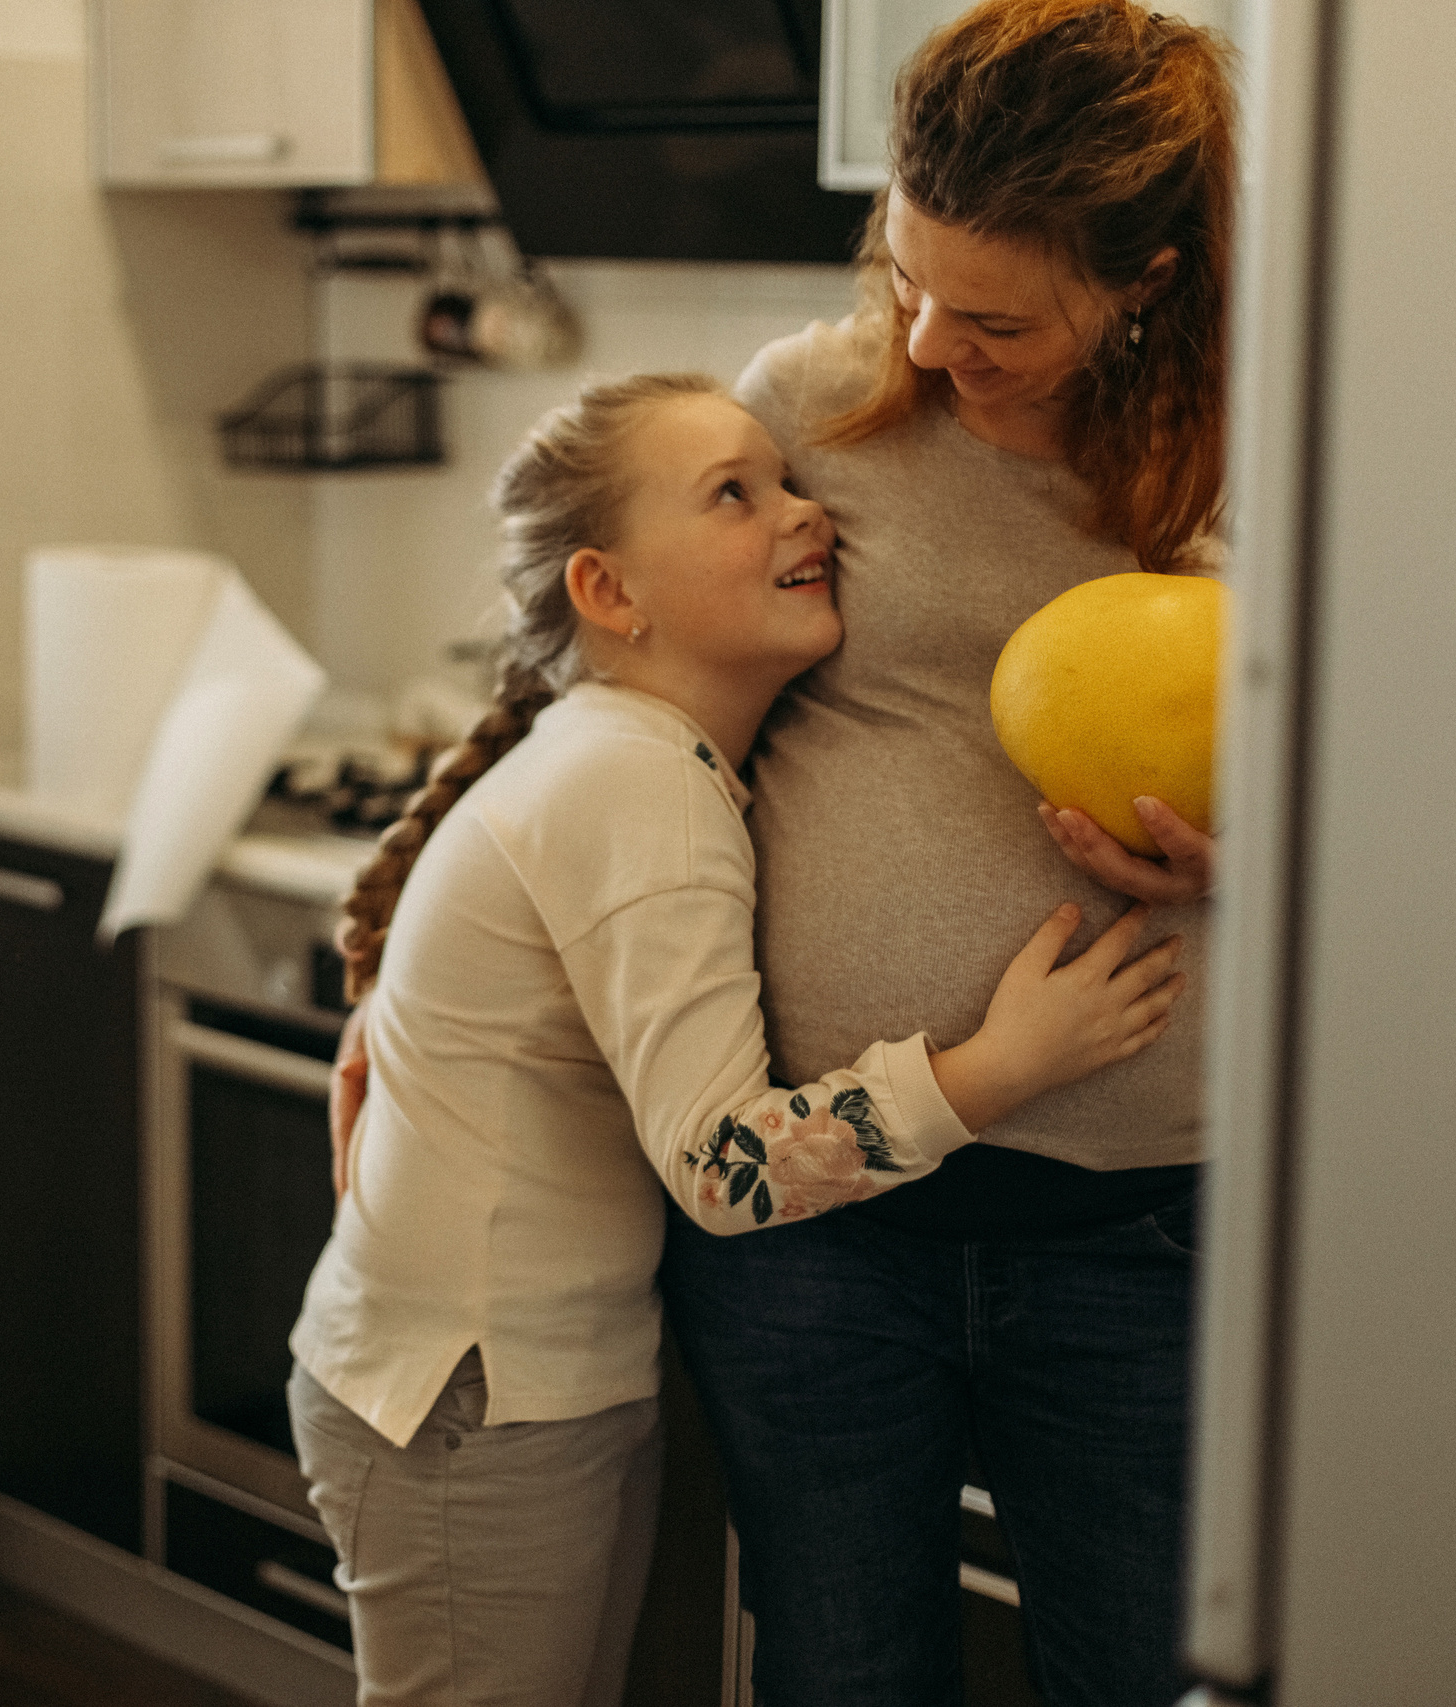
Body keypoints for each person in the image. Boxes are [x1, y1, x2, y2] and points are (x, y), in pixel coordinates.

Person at [288, 372, 1189, 1707]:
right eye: (734, 494)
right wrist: (998, 1067)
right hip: (468, 1399)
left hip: (506, 1386)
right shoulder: (636, 780)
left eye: (785, 477)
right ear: (608, 590)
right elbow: (725, 1169)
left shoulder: (642, 755)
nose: (801, 512)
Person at [653, 4, 1240, 1705]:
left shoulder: (1274, 462)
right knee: (842, 1677)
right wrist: (398, 940)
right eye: (908, 279)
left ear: (1149, 275)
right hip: (822, 1229)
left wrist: (1256, 849)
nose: (927, 339)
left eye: (995, 316)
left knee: (1138, 1679)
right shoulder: (812, 409)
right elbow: (603, 700)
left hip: (1143, 1234)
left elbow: (1426, 799)